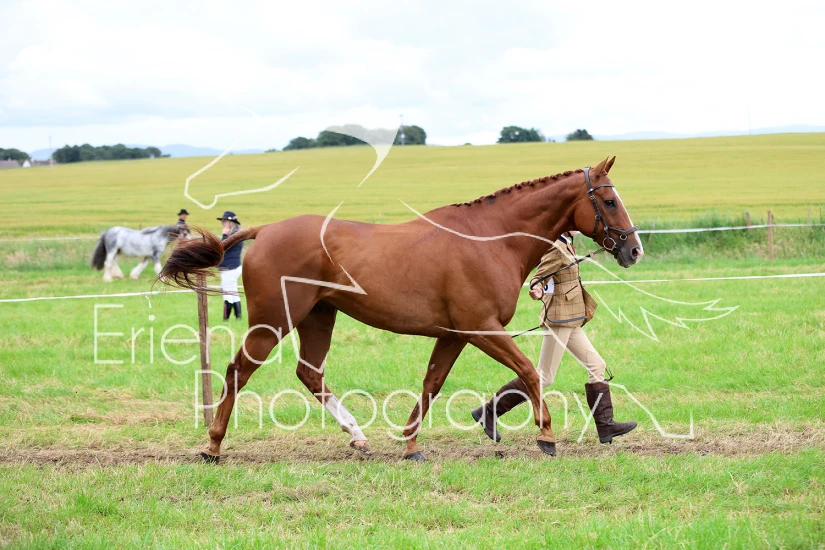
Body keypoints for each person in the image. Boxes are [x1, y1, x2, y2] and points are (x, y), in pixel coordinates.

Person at [471, 231, 637, 444]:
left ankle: (606, 426)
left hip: (571, 318)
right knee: (544, 377)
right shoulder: (556, 247)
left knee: (597, 365)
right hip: (559, 320)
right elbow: (539, 277)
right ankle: (488, 412)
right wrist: (537, 289)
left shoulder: (567, 243)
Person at [218, 211, 243, 320]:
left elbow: (221, 247)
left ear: (230, 222)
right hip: (233, 267)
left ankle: (226, 318)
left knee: (227, 293)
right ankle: (238, 317)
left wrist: (224, 234)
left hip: (229, 268)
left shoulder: (233, 235)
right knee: (234, 292)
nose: (222, 223)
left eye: (224, 221)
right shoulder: (236, 233)